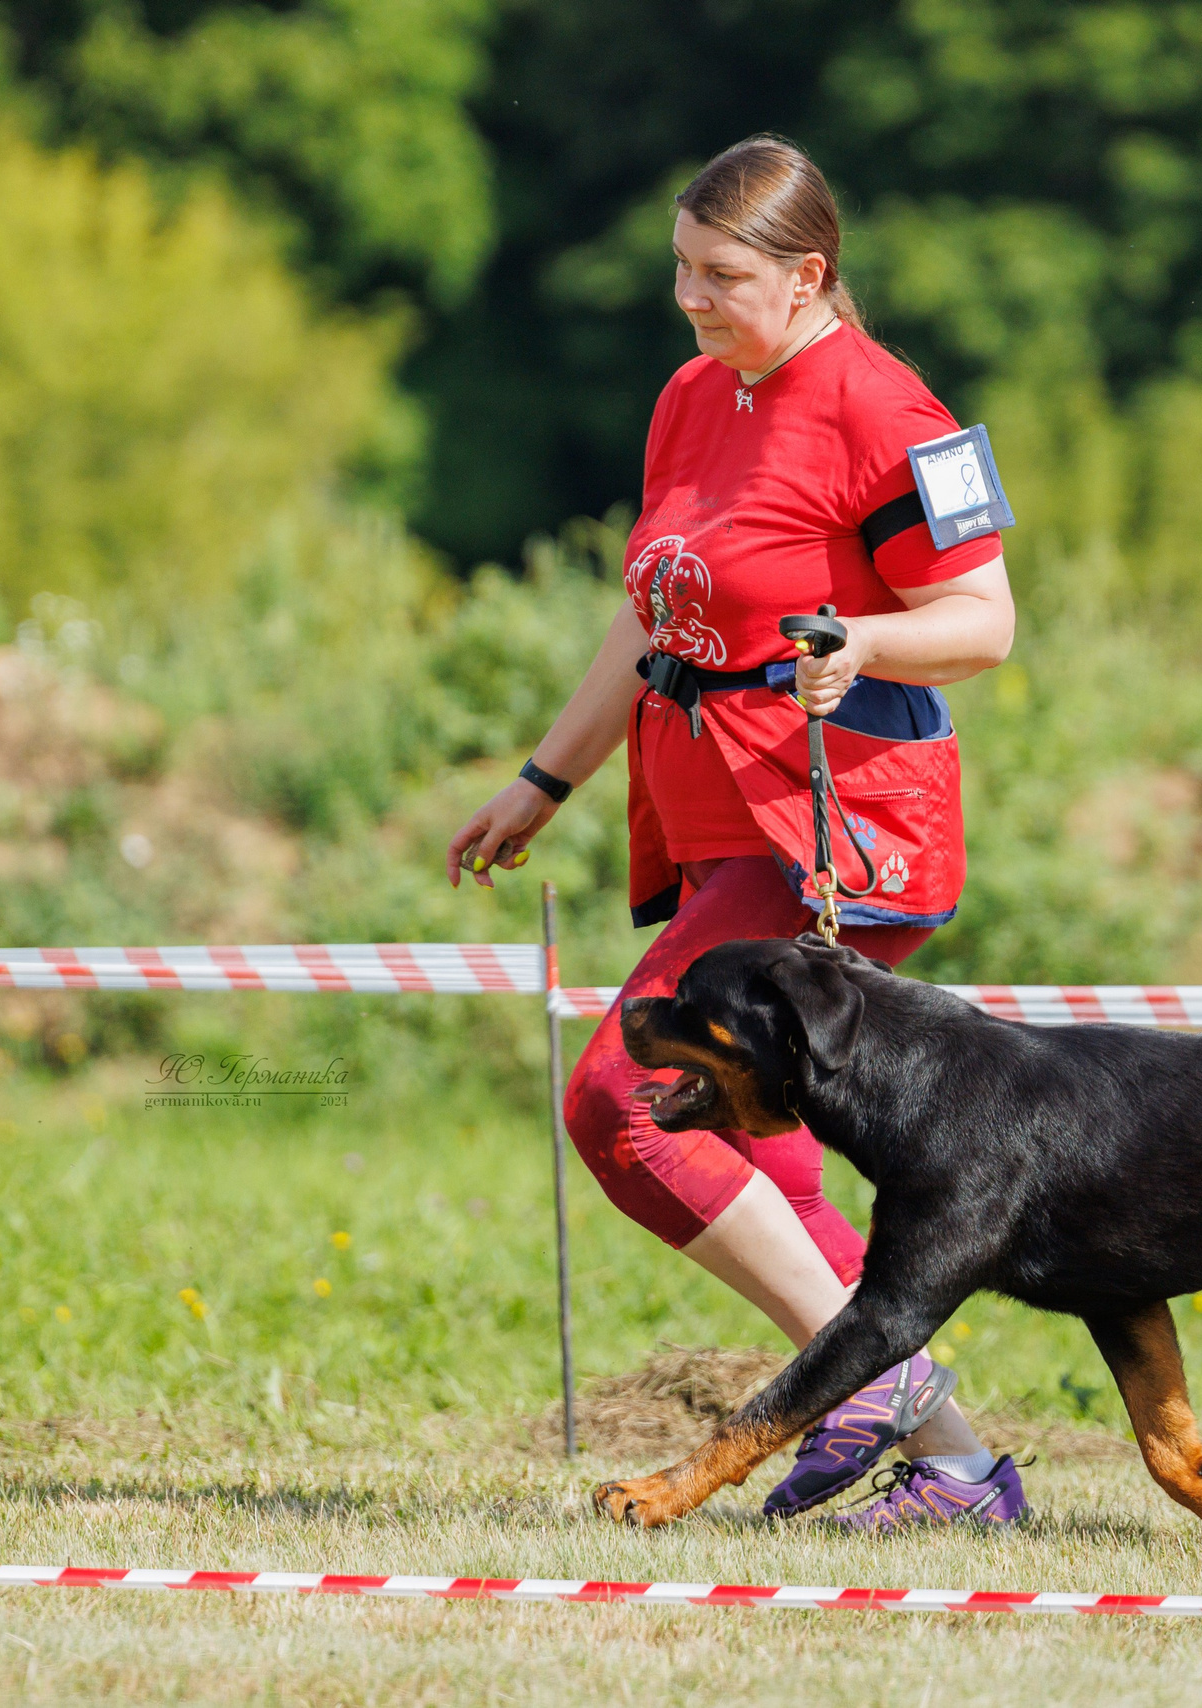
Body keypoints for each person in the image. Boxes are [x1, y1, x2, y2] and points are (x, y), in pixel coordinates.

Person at [445, 136, 1027, 1530]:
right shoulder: (692, 397)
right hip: (716, 825)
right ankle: (953, 1469)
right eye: (681, 270)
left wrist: (866, 638)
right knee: (760, 1155)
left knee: (629, 1102)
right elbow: (652, 609)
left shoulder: (894, 412)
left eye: (722, 275)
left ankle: (868, 1394)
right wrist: (547, 776)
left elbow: (987, 621)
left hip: (835, 833)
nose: (690, 299)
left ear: (809, 275)